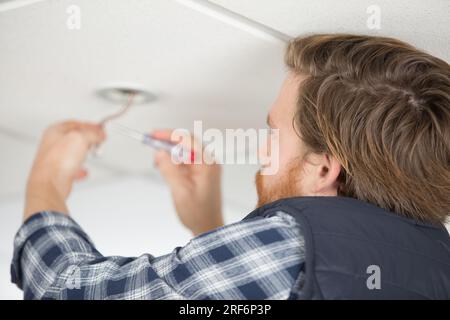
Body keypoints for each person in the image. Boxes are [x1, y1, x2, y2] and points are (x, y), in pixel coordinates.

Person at [11, 34, 450, 299]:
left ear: (324, 170)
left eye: (273, 132)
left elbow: (61, 289)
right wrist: (209, 226)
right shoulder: (435, 266)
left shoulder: (287, 248)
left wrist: (46, 178)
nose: (262, 152)